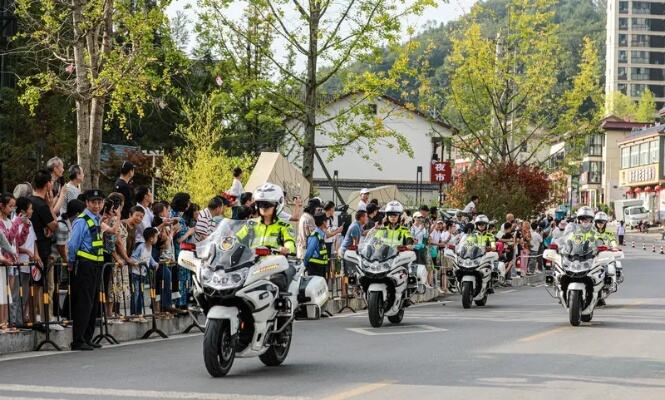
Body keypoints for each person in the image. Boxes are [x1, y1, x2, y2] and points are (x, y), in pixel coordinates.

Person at [67, 189, 106, 350]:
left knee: (93, 303)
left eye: (99, 202)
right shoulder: (82, 220)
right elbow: (72, 244)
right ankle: (78, 339)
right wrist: (70, 261)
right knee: (84, 302)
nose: (97, 205)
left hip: (96, 266)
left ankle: (87, 337)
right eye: (93, 202)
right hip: (85, 265)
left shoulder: (97, 220)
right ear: (87, 203)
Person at [236, 183, 296, 256]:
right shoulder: (251, 224)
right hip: (251, 262)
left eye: (267, 204)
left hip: (274, 264)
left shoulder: (285, 226)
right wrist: (229, 242)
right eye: (260, 204)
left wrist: (287, 248)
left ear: (277, 204)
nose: (263, 207)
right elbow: (237, 238)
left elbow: (289, 242)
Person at [29, 169, 59, 318]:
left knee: (34, 285)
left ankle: (34, 317)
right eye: (51, 182)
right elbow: (54, 225)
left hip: (30, 249)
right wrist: (51, 205)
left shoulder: (29, 201)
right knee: (46, 286)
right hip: (42, 251)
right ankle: (46, 318)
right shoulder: (41, 205)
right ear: (48, 184)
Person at [130, 227, 159, 321]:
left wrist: (154, 264)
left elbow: (149, 257)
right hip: (136, 273)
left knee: (141, 294)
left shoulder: (150, 247)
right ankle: (134, 314)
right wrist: (137, 263)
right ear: (151, 238)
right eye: (156, 237)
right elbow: (133, 257)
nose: (156, 239)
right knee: (136, 293)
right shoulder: (141, 246)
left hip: (142, 274)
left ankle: (139, 314)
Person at [303, 212, 328, 278]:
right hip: (315, 268)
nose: (327, 222)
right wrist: (305, 265)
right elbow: (309, 252)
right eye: (326, 221)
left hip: (321, 267)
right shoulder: (315, 235)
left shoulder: (321, 234)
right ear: (324, 222)